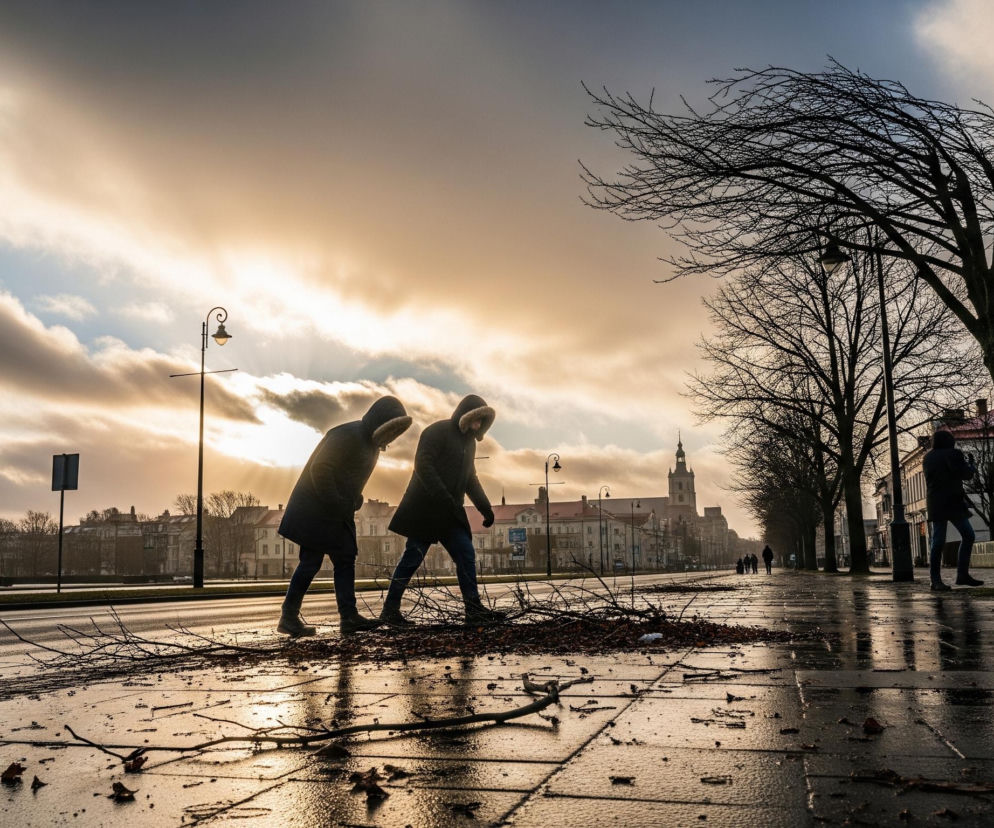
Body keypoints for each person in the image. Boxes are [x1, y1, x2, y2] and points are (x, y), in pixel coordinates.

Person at [276, 396, 413, 636]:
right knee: (311, 562)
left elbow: (349, 475)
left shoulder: (370, 444)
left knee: (345, 559)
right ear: (380, 423)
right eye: (390, 430)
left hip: (337, 510)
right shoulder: (348, 434)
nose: (391, 438)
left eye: (395, 433)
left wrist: (355, 498)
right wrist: (339, 501)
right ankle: (289, 617)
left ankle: (347, 617)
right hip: (317, 509)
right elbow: (321, 468)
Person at [380, 394, 504, 626]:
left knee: (466, 555)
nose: (478, 425)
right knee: (412, 558)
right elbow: (423, 465)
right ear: (465, 416)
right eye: (476, 420)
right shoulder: (436, 432)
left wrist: (485, 509)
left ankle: (474, 609)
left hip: (450, 513)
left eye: (482, 422)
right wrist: (443, 497)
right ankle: (390, 610)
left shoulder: (469, 444)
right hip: (425, 510)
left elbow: (470, 479)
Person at [923, 429, 981, 591]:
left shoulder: (927, 457)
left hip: (935, 502)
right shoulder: (953, 453)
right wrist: (972, 466)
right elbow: (965, 474)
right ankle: (962, 575)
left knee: (938, 542)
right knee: (968, 536)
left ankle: (935, 580)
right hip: (953, 502)